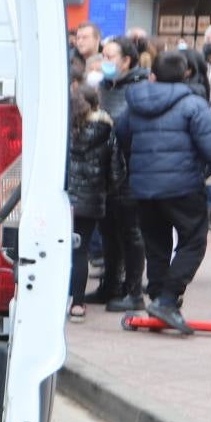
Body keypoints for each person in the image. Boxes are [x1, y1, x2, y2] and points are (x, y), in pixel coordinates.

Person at [115, 50, 211, 335]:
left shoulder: (135, 103)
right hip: (182, 187)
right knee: (194, 240)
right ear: (186, 75)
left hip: (144, 187)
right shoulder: (193, 105)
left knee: (156, 244)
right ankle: (168, 300)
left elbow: (121, 136)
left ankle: (158, 298)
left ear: (153, 75)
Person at [88, 36, 149, 311]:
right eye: (104, 56)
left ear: (127, 60)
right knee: (109, 231)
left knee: (131, 232)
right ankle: (110, 284)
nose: (105, 62)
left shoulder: (139, 89)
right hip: (104, 170)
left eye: (111, 57)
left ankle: (133, 290)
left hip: (130, 169)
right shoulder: (102, 86)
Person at [66, 82, 124, 321]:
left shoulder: (61, 128)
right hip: (91, 200)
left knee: (58, 251)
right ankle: (77, 304)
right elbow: (117, 171)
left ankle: (57, 298)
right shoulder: (107, 130)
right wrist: (104, 190)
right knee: (81, 251)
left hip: (62, 199)